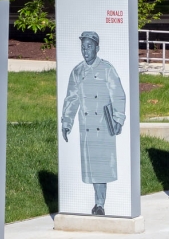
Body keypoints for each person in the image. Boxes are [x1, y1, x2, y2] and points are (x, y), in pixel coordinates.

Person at [60, 30, 126, 215]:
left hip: (104, 124)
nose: (85, 50)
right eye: (83, 47)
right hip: (87, 126)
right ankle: (97, 202)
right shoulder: (77, 72)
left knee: (101, 167)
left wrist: (119, 118)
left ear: (97, 47)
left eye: (89, 46)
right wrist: (66, 122)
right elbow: (72, 99)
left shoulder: (107, 69)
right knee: (92, 167)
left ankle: (99, 204)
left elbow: (118, 94)